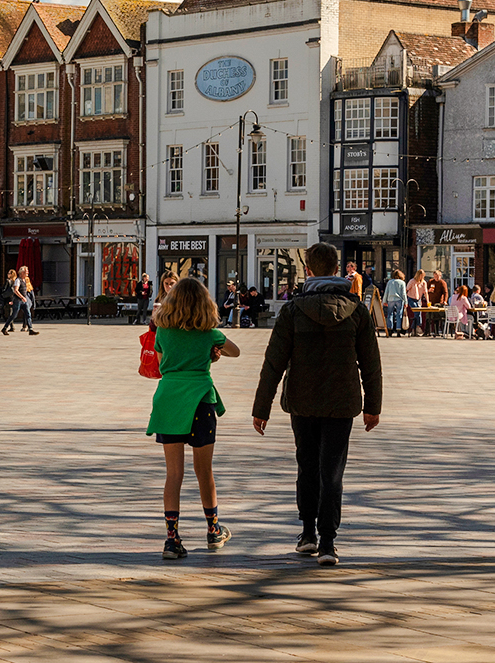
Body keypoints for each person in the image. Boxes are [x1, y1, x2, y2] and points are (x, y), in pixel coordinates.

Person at [253, 241, 382, 567]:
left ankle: (308, 533)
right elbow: (371, 363)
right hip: (342, 402)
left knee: (307, 467)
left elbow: (274, 362)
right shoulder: (357, 310)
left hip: (303, 401)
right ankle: (328, 542)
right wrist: (373, 405)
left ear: (307, 270)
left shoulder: (294, 310)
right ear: (338, 269)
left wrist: (261, 408)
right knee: (332, 471)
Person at [147, 276, 239, 560]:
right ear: (204, 303)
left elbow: (163, 365)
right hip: (200, 400)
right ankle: (213, 530)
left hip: (169, 400)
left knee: (174, 474)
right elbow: (235, 351)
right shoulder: (210, 334)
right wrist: (213, 355)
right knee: (204, 471)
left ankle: (172, 539)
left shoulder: (163, 331)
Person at [14, 265, 39, 334]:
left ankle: (29, 328)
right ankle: (6, 326)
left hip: (26, 301)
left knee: (27, 314)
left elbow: (32, 295)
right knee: (17, 314)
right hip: (23, 301)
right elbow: (16, 291)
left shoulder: (26, 285)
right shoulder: (19, 281)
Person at [384, 270, 407, 336]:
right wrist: (405, 302)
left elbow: (386, 292)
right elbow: (403, 294)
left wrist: (384, 301)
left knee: (390, 314)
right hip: (399, 299)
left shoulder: (390, 282)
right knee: (399, 315)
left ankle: (390, 329)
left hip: (390, 299)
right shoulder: (402, 283)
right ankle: (398, 329)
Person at [406, 269, 428, 336]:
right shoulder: (412, 281)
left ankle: (414, 329)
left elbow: (426, 292)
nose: (422, 278)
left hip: (418, 299)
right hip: (411, 298)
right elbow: (407, 289)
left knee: (419, 312)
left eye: (423, 276)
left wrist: (428, 301)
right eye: (421, 276)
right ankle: (418, 327)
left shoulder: (424, 283)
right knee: (417, 311)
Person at [0, 269, 20, 335]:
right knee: (11, 312)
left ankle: (11, 326)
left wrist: (1, 293)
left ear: (11, 274)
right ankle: (12, 326)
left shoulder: (8, 281)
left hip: (8, 298)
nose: (7, 274)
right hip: (13, 298)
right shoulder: (16, 281)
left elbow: (4, 289)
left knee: (8, 312)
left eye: (9, 273)